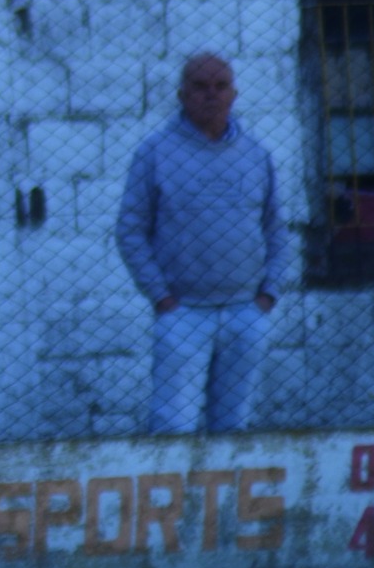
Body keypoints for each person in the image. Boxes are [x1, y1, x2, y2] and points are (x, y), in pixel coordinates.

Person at [115, 52, 289, 435]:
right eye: (199, 86)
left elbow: (276, 229)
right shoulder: (155, 154)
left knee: (233, 426)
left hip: (246, 312)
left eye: (220, 86)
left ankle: (227, 498)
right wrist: (162, 298)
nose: (211, 95)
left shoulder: (256, 156)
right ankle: (172, 496)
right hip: (184, 313)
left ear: (234, 94)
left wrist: (267, 296)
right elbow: (130, 229)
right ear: (181, 95)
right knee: (172, 425)